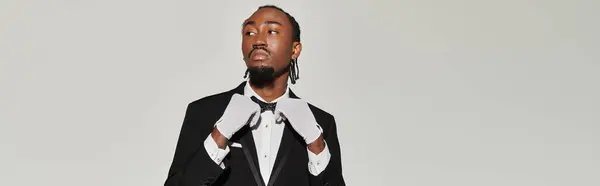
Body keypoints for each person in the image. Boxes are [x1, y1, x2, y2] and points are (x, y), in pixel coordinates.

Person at [164, 5, 345, 186]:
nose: (258, 41)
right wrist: (219, 135)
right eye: (250, 33)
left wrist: (315, 143)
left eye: (272, 31)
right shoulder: (203, 112)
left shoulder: (321, 123)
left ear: (295, 50)